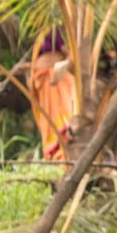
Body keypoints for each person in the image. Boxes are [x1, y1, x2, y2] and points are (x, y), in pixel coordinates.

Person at [27, 28, 77, 160]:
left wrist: (60, 69)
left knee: (62, 115)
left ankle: (63, 154)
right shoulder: (41, 33)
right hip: (43, 81)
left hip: (57, 81)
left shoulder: (55, 30)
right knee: (48, 119)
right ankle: (53, 155)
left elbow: (70, 55)